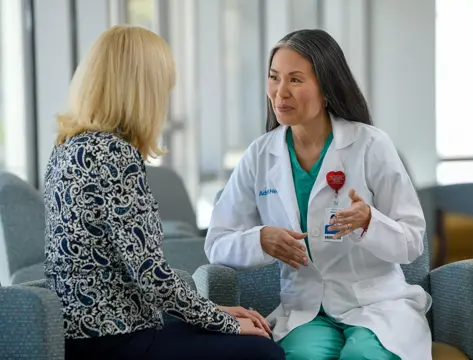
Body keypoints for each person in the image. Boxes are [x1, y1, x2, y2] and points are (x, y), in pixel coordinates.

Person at [43, 25, 285, 360]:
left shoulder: (68, 147)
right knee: (263, 351)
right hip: (117, 340)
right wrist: (224, 322)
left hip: (85, 336)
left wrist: (212, 310)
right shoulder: (115, 155)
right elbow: (150, 277)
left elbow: (133, 272)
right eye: (164, 87)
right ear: (143, 90)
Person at [205, 29, 432, 360]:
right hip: (305, 309)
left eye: (295, 80)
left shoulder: (370, 145)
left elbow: (412, 242)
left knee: (362, 356)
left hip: (376, 303)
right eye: (274, 78)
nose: (280, 92)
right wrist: (260, 240)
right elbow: (216, 244)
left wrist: (370, 221)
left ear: (326, 88)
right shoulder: (260, 155)